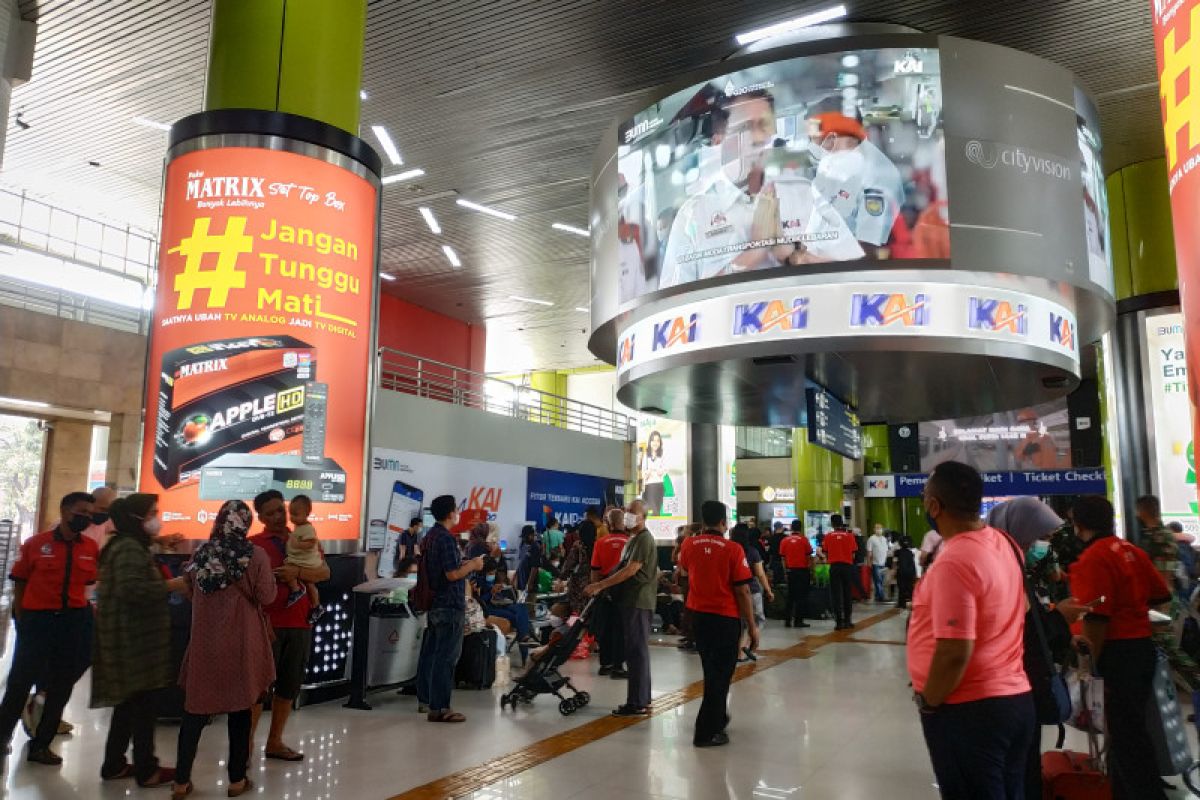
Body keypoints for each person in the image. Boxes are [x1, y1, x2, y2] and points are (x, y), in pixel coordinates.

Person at [908, 461, 1033, 800]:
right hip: (1014, 700)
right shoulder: (1005, 542)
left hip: (969, 709)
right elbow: (1022, 607)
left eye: (924, 498)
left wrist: (929, 701)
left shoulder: (955, 561)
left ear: (935, 506)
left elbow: (954, 651)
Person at [1061, 496, 1172, 800]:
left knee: (1125, 738)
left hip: (1115, 654)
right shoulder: (1131, 551)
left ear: (1078, 524)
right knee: (1130, 730)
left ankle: (1146, 794)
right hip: (1141, 649)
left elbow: (1095, 619)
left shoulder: (1093, 559)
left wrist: (1087, 669)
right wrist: (1130, 606)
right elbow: (1160, 593)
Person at [173, 500, 276, 799]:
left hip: (205, 644)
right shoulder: (255, 555)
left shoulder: (201, 554)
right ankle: (236, 781)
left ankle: (181, 782)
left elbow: (191, 591)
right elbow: (267, 596)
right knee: (240, 710)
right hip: (243, 645)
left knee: (194, 712)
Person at [0, 491, 98, 769]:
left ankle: (41, 745)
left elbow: (88, 581)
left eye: (89, 514)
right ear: (65, 511)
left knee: (60, 686)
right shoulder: (36, 544)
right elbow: (19, 581)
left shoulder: (90, 547)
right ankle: (1, 740)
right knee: (19, 684)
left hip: (72, 622)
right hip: (37, 621)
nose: (86, 518)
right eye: (81, 512)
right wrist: (22, 618)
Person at [93, 493, 185, 787]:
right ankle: (147, 770)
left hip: (132, 639)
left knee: (128, 705)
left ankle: (114, 764)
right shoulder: (129, 549)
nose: (156, 519)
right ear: (135, 519)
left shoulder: (127, 545)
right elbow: (133, 590)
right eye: (152, 514)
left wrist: (161, 544)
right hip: (136, 642)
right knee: (144, 707)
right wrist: (171, 585)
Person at [987, 497, 1072, 800]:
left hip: (1021, 687)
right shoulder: (1000, 571)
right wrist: (1061, 618)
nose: (1040, 545)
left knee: (1023, 766)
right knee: (1016, 771)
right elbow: (1022, 632)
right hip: (1006, 689)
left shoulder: (1015, 567)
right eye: (1035, 537)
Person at [248, 489, 330, 762]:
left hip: (300, 623)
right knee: (258, 689)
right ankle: (245, 747)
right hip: (266, 625)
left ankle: (275, 742)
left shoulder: (304, 535)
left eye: (280, 511)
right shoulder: (254, 544)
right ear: (259, 516)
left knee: (289, 685)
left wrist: (297, 573)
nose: (277, 517)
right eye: (269, 513)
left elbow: (324, 572)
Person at [679, 501, 758, 747]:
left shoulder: (688, 545)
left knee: (711, 671)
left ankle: (718, 718)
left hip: (699, 618)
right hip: (725, 619)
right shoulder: (733, 549)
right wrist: (752, 627)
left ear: (703, 522)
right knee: (720, 676)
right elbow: (743, 591)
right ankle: (705, 731)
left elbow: (684, 574)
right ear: (724, 522)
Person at [416, 494, 485, 723]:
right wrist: (473, 565)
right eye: (456, 509)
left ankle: (427, 701)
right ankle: (441, 707)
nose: (458, 513)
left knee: (433, 655)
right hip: (449, 604)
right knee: (447, 658)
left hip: (435, 604)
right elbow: (452, 574)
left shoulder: (430, 536)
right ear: (449, 513)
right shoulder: (445, 539)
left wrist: (463, 565)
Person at [586, 500, 657, 716]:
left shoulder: (644, 539)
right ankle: (641, 698)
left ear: (643, 517)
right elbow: (621, 567)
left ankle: (637, 702)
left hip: (638, 601)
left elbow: (631, 570)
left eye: (633, 512)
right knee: (634, 651)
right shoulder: (632, 539)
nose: (627, 515)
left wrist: (600, 584)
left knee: (636, 652)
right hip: (628, 600)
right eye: (627, 511)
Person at [591, 508, 629, 676]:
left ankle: (605, 663)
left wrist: (597, 588)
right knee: (621, 628)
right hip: (625, 590)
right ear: (623, 522)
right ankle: (618, 666)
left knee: (605, 628)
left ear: (608, 523)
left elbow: (595, 570)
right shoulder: (630, 542)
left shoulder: (600, 543)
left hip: (604, 589)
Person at [730, 523, 772, 659]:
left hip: (733, 590)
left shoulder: (730, 550)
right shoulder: (752, 551)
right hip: (752, 590)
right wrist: (768, 590)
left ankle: (738, 652)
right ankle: (748, 646)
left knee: (740, 623)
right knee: (757, 620)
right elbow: (760, 573)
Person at [285, 495, 323, 618]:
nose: (292, 517)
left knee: (288, 568)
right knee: (310, 584)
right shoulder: (300, 527)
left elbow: (311, 543)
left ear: (306, 513)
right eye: (290, 514)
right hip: (303, 560)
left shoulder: (307, 529)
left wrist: (298, 544)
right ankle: (316, 605)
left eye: (295, 514)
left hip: (305, 561)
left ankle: (296, 590)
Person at [823, 515, 858, 630]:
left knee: (836, 595)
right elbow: (853, 554)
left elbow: (826, 553)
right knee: (847, 594)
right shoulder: (850, 536)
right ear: (842, 523)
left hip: (834, 567)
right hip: (847, 567)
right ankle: (848, 621)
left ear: (832, 524)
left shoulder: (828, 536)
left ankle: (838, 622)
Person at [1136, 494, 1178, 590]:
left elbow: (1165, 571)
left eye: (1138, 510)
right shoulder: (1148, 534)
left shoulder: (1162, 536)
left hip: (1159, 593)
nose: (1136, 514)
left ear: (1143, 512)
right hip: (1152, 590)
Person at [780, 520, 813, 628]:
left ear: (791, 528)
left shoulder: (785, 540)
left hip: (790, 571)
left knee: (790, 595)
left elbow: (783, 558)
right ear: (800, 528)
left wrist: (785, 571)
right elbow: (809, 557)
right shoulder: (804, 540)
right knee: (801, 596)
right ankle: (798, 620)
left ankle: (787, 620)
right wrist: (810, 570)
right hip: (802, 571)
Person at [560, 516, 596, 614]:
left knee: (578, 617)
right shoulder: (598, 545)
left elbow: (568, 566)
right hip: (594, 586)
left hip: (578, 588)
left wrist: (561, 578)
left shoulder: (578, 546)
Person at [640, 431, 667, 516]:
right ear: (650, 442)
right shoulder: (646, 456)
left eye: (658, 440)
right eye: (653, 440)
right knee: (652, 512)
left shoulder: (662, 455)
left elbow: (664, 471)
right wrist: (648, 472)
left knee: (657, 512)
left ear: (660, 442)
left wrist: (656, 471)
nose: (655, 443)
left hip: (659, 486)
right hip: (649, 487)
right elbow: (643, 474)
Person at [516, 525, 543, 597]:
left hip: (530, 583)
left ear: (531, 535)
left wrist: (529, 584)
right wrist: (515, 577)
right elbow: (520, 562)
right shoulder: (522, 545)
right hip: (521, 581)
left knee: (529, 605)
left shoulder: (535, 547)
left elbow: (535, 567)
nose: (524, 539)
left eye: (525, 537)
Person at [866, 524, 889, 602]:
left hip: (883, 563)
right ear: (874, 529)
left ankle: (877, 596)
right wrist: (869, 562)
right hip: (875, 563)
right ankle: (881, 597)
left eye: (880, 528)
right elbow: (869, 551)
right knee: (878, 581)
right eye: (877, 528)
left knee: (881, 581)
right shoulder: (871, 539)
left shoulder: (884, 538)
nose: (879, 530)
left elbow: (886, 550)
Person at [894, 535, 918, 609]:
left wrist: (894, 571)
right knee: (910, 588)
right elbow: (914, 564)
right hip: (910, 572)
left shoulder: (897, 552)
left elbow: (894, 562)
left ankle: (901, 603)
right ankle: (912, 602)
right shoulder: (912, 553)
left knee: (901, 588)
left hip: (901, 572)